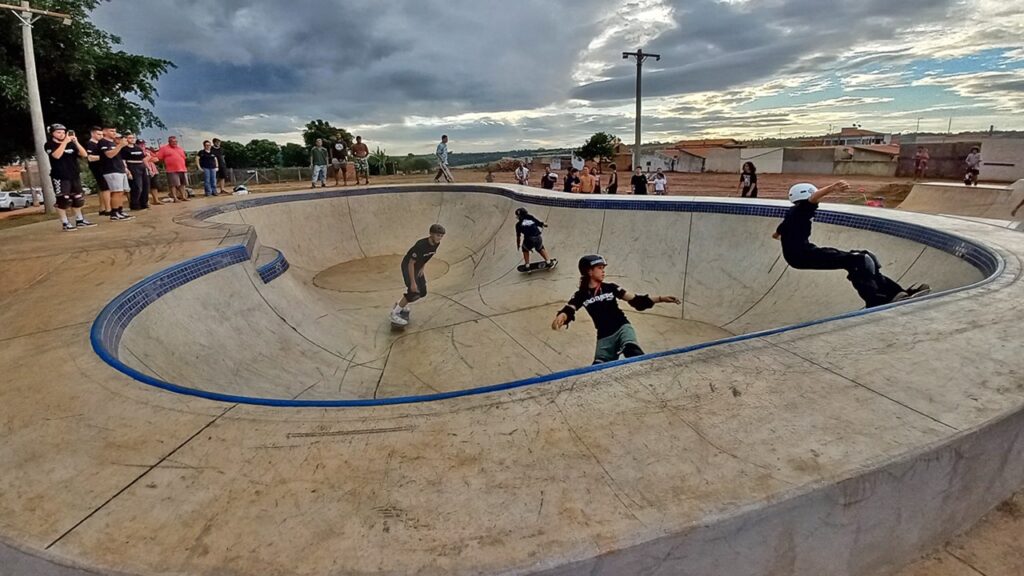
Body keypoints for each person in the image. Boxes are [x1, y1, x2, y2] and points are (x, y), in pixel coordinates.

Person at [773, 182, 930, 308]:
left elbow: (777, 234)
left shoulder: (792, 212)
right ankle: (874, 299)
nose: (816, 207)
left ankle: (897, 293)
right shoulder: (803, 209)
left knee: (861, 256)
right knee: (858, 261)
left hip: (800, 254)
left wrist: (790, 239)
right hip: (804, 255)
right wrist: (832, 188)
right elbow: (812, 199)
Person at [552, 254, 680, 364]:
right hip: (604, 336)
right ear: (589, 271)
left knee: (632, 350)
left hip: (622, 328)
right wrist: (562, 316)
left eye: (603, 268)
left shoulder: (611, 288)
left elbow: (636, 301)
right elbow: (570, 309)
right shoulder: (581, 295)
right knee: (597, 368)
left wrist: (661, 298)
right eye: (600, 268)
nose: (603, 271)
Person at [389, 224, 446, 326]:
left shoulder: (437, 243)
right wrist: (413, 282)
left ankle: (399, 303)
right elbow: (411, 263)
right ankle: (394, 313)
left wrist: (422, 267)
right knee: (413, 291)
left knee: (422, 292)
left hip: (418, 267)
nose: (439, 238)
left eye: (441, 236)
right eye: (438, 235)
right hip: (408, 266)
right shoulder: (421, 245)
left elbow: (427, 256)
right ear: (431, 234)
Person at [44, 124, 95, 231]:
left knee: (78, 198)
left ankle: (79, 219)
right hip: (60, 176)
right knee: (63, 200)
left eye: (63, 132)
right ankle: (65, 222)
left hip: (74, 175)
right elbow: (56, 156)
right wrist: (64, 142)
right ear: (52, 133)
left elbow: (84, 154)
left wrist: (75, 142)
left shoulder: (71, 144)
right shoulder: (49, 144)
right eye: (58, 132)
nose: (62, 134)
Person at [99, 126, 133, 220]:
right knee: (116, 192)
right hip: (111, 170)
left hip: (119, 169)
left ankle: (119, 210)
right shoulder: (103, 142)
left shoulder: (113, 142)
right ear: (104, 131)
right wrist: (120, 145)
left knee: (121, 191)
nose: (114, 133)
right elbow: (109, 155)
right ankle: (114, 213)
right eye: (111, 131)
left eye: (115, 131)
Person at [84, 126, 111, 215]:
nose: (101, 136)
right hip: (97, 167)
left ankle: (102, 208)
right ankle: (108, 209)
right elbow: (90, 157)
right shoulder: (90, 144)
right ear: (92, 133)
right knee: (105, 187)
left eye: (102, 134)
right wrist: (104, 157)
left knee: (102, 188)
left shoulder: (101, 143)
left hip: (104, 167)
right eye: (98, 134)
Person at [121, 133, 150, 210]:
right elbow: (123, 161)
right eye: (130, 138)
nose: (132, 139)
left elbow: (143, 159)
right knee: (137, 186)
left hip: (141, 166)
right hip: (132, 166)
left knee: (145, 186)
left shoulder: (138, 148)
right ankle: (135, 204)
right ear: (126, 139)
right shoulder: (124, 149)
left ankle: (144, 203)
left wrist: (148, 167)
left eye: (133, 138)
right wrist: (127, 170)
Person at [156, 136, 188, 202]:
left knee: (182, 184)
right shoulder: (164, 148)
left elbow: (184, 158)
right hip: (171, 170)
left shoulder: (180, 149)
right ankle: (175, 198)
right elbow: (159, 158)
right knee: (173, 184)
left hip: (182, 169)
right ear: (169, 142)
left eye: (176, 141)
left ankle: (183, 196)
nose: (174, 143)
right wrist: (167, 163)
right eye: (173, 141)